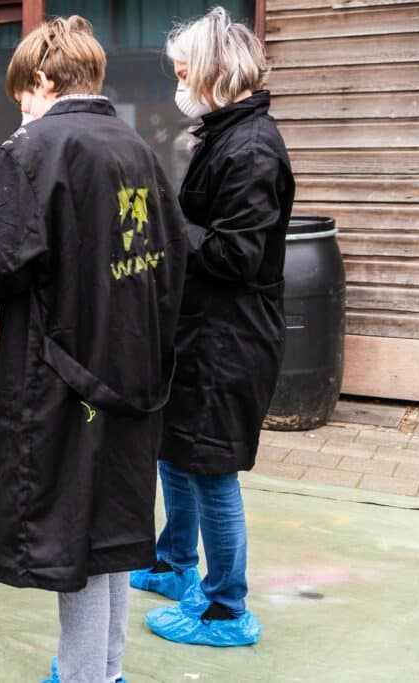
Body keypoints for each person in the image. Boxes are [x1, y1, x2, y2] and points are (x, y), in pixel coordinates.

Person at [0, 17, 186, 683]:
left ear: (44, 80)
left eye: (23, 92)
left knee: (73, 531)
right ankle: (105, 670)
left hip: (64, 378)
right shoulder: (137, 150)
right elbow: (172, 263)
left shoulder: (36, 148)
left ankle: (84, 676)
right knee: (111, 532)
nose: (21, 106)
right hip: (131, 374)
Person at [129, 7, 296, 648]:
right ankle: (175, 565)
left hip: (230, 337)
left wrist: (167, 222)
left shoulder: (250, 149)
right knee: (176, 449)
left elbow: (237, 255)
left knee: (211, 467)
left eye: (182, 74)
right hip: (199, 328)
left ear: (213, 74)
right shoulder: (223, 134)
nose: (178, 85)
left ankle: (226, 608)